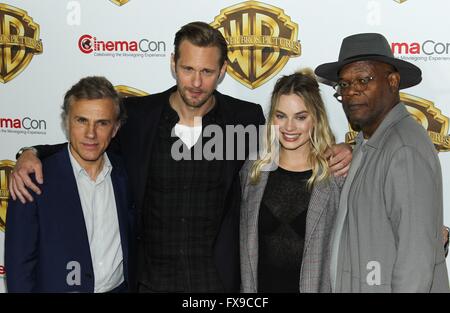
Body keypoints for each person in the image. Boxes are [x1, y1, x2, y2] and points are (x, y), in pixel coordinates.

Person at [8, 22, 352, 292]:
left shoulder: (243, 120)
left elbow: (291, 146)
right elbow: (91, 138)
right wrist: (31, 152)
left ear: (222, 71)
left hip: (216, 286)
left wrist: (347, 149)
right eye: (188, 69)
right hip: (149, 282)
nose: (197, 82)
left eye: (206, 72)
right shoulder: (139, 117)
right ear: (173, 64)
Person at [315, 33, 450, 292]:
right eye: (343, 85)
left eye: (363, 80)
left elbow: (415, 268)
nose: (352, 90)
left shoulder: (404, 150)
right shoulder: (372, 144)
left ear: (392, 81)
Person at [5, 76, 133, 293]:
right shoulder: (32, 180)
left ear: (115, 128)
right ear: (66, 122)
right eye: (81, 120)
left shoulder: (128, 173)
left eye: (102, 123)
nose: (90, 133)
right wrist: (29, 152)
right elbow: (19, 269)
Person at [240, 69, 343, 293]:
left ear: (316, 118)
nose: (289, 127)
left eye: (300, 117)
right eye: (281, 115)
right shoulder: (253, 171)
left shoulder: (336, 175)